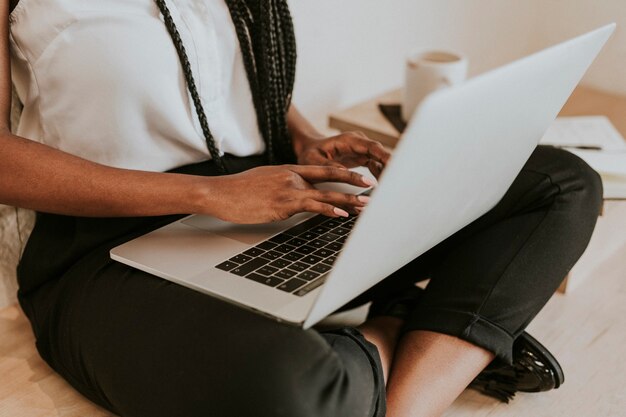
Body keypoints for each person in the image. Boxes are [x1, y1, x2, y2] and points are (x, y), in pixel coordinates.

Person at [1, 1, 602, 416]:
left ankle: (376, 373)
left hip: (269, 196)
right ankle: (413, 330)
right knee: (285, 388)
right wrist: (210, 195)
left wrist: (305, 140)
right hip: (104, 247)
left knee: (560, 183)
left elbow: (236, 71)